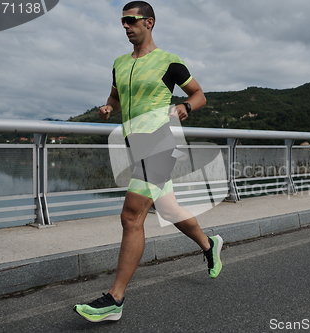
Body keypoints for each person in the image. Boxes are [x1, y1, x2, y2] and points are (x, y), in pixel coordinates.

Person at [74, 1, 223, 322]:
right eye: (122, 21)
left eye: (132, 20)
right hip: (134, 144)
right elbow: (114, 98)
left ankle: (115, 299)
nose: (126, 26)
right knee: (167, 209)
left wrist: (186, 107)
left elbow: (199, 94)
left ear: (149, 23)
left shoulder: (168, 61)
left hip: (159, 141)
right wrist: (107, 108)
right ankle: (209, 244)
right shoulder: (118, 63)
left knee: (131, 216)